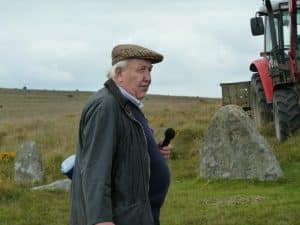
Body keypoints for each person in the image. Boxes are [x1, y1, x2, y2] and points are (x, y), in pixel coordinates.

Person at [70, 44, 173, 225]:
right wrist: (101, 220)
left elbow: (121, 152)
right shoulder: (106, 106)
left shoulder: (127, 105)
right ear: (118, 74)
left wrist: (150, 153)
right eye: (141, 70)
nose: (148, 78)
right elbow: (96, 169)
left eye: (150, 70)